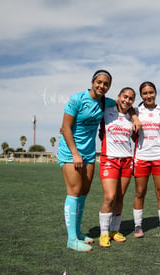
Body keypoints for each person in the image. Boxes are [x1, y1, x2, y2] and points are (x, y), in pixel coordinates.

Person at [58, 70, 116, 252]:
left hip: (90, 153)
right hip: (70, 152)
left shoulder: (106, 102)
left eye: (106, 84)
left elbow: (124, 105)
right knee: (74, 192)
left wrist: (136, 116)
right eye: (99, 82)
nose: (102, 86)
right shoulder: (77, 99)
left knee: (83, 192)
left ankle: (77, 232)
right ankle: (72, 239)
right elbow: (66, 128)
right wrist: (75, 153)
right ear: (92, 82)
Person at [132, 81, 160, 239]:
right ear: (141, 95)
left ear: (155, 93)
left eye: (151, 92)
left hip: (159, 156)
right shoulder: (134, 111)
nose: (148, 96)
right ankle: (137, 226)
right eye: (145, 93)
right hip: (141, 156)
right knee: (140, 192)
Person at [98, 87, 137, 248]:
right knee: (109, 197)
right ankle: (104, 233)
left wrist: (135, 117)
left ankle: (115, 230)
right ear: (119, 96)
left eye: (131, 98)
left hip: (127, 160)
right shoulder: (107, 110)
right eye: (125, 97)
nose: (127, 100)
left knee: (120, 197)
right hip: (109, 159)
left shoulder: (133, 117)